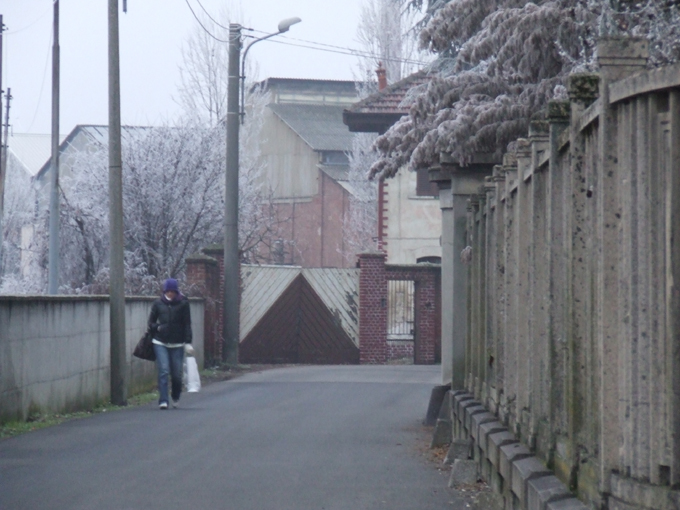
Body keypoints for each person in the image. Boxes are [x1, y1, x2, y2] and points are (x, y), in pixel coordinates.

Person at [148, 278, 194, 410]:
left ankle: (175, 396)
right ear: (164, 291)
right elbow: (150, 323)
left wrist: (188, 342)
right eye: (168, 291)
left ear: (176, 291)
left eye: (173, 292)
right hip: (160, 342)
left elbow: (187, 324)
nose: (170, 294)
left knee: (176, 374)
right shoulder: (157, 304)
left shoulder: (184, 304)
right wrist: (157, 328)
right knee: (163, 370)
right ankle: (163, 400)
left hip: (178, 343)